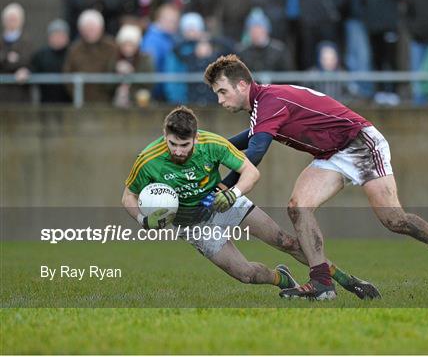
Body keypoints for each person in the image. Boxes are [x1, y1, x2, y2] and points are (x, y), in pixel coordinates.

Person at [204, 54, 428, 300]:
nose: (220, 100)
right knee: (298, 208)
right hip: (331, 154)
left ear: (242, 85)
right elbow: (250, 138)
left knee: (394, 220)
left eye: (222, 92)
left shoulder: (269, 102)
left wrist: (225, 187)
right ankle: (321, 283)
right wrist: (211, 150)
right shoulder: (263, 104)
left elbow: (256, 151)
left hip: (360, 144)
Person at [122, 106, 380, 300]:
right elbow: (128, 196)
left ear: (196, 138)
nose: (178, 151)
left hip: (224, 203)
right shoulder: (148, 159)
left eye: (184, 145)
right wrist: (143, 220)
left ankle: (347, 281)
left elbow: (251, 172)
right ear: (164, 136)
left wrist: (232, 194)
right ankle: (282, 278)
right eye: (173, 144)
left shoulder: (213, 144)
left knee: (285, 241)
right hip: (192, 225)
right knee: (246, 275)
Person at [63, 9, 117, 103]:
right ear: (81, 30)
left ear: (101, 28)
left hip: (107, 102)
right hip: (82, 102)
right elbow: (67, 74)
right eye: (87, 28)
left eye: (93, 28)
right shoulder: (75, 49)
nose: (90, 31)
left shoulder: (112, 47)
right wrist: (77, 94)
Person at [110, 24, 154, 108]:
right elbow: (107, 85)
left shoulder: (145, 59)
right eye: (124, 44)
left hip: (139, 101)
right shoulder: (115, 58)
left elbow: (149, 82)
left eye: (131, 45)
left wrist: (132, 72)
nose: (127, 48)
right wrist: (116, 71)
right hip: (117, 101)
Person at [30, 19, 71, 103]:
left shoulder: (72, 54)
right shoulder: (41, 55)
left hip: (68, 103)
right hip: (46, 101)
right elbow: (32, 69)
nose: (58, 38)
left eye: (61, 35)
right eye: (55, 35)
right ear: (49, 37)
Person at [0, 3, 33, 103]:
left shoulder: (27, 41)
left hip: (20, 93)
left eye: (14, 19)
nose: (12, 22)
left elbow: (27, 61)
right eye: (9, 19)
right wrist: (7, 57)